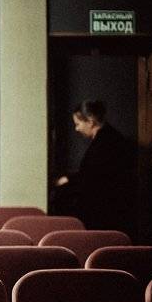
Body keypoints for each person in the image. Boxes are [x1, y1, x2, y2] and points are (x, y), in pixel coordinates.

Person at [55, 100, 136, 235]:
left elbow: (92, 178)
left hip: (106, 213)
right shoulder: (110, 138)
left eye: (78, 124)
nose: (77, 128)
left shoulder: (106, 143)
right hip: (109, 210)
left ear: (90, 121)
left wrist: (68, 181)